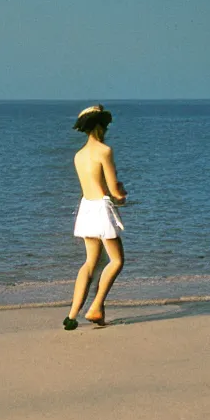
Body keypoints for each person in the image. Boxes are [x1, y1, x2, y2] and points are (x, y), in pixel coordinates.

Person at [63, 105, 127, 330]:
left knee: (90, 262)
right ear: (99, 125)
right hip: (101, 208)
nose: (107, 128)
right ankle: (96, 306)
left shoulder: (79, 155)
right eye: (106, 124)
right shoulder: (104, 151)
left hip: (86, 209)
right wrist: (122, 194)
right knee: (116, 260)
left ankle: (72, 315)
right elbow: (113, 191)